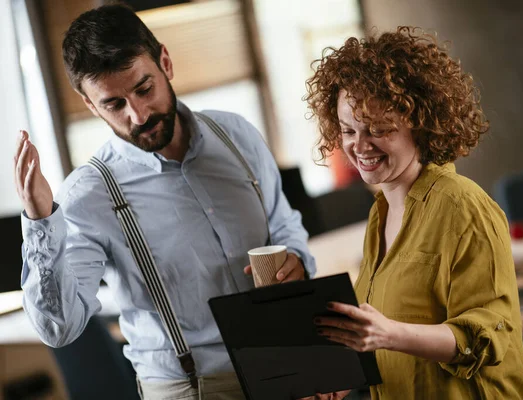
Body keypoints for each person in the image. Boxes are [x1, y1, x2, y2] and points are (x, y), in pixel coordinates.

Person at [14, 4, 314, 400]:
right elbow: (60, 328)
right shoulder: (88, 194)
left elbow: (283, 221)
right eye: (113, 104)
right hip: (191, 389)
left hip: (287, 367)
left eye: (143, 89)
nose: (138, 115)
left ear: (166, 63)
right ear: (90, 105)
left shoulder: (236, 135)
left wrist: (295, 256)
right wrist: (40, 222)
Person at [304, 27, 523, 399]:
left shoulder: (463, 208)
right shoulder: (380, 213)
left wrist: (388, 334)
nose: (359, 146)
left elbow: (488, 336)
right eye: (348, 130)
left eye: (378, 129)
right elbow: (392, 345)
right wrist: (346, 380)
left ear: (419, 121)